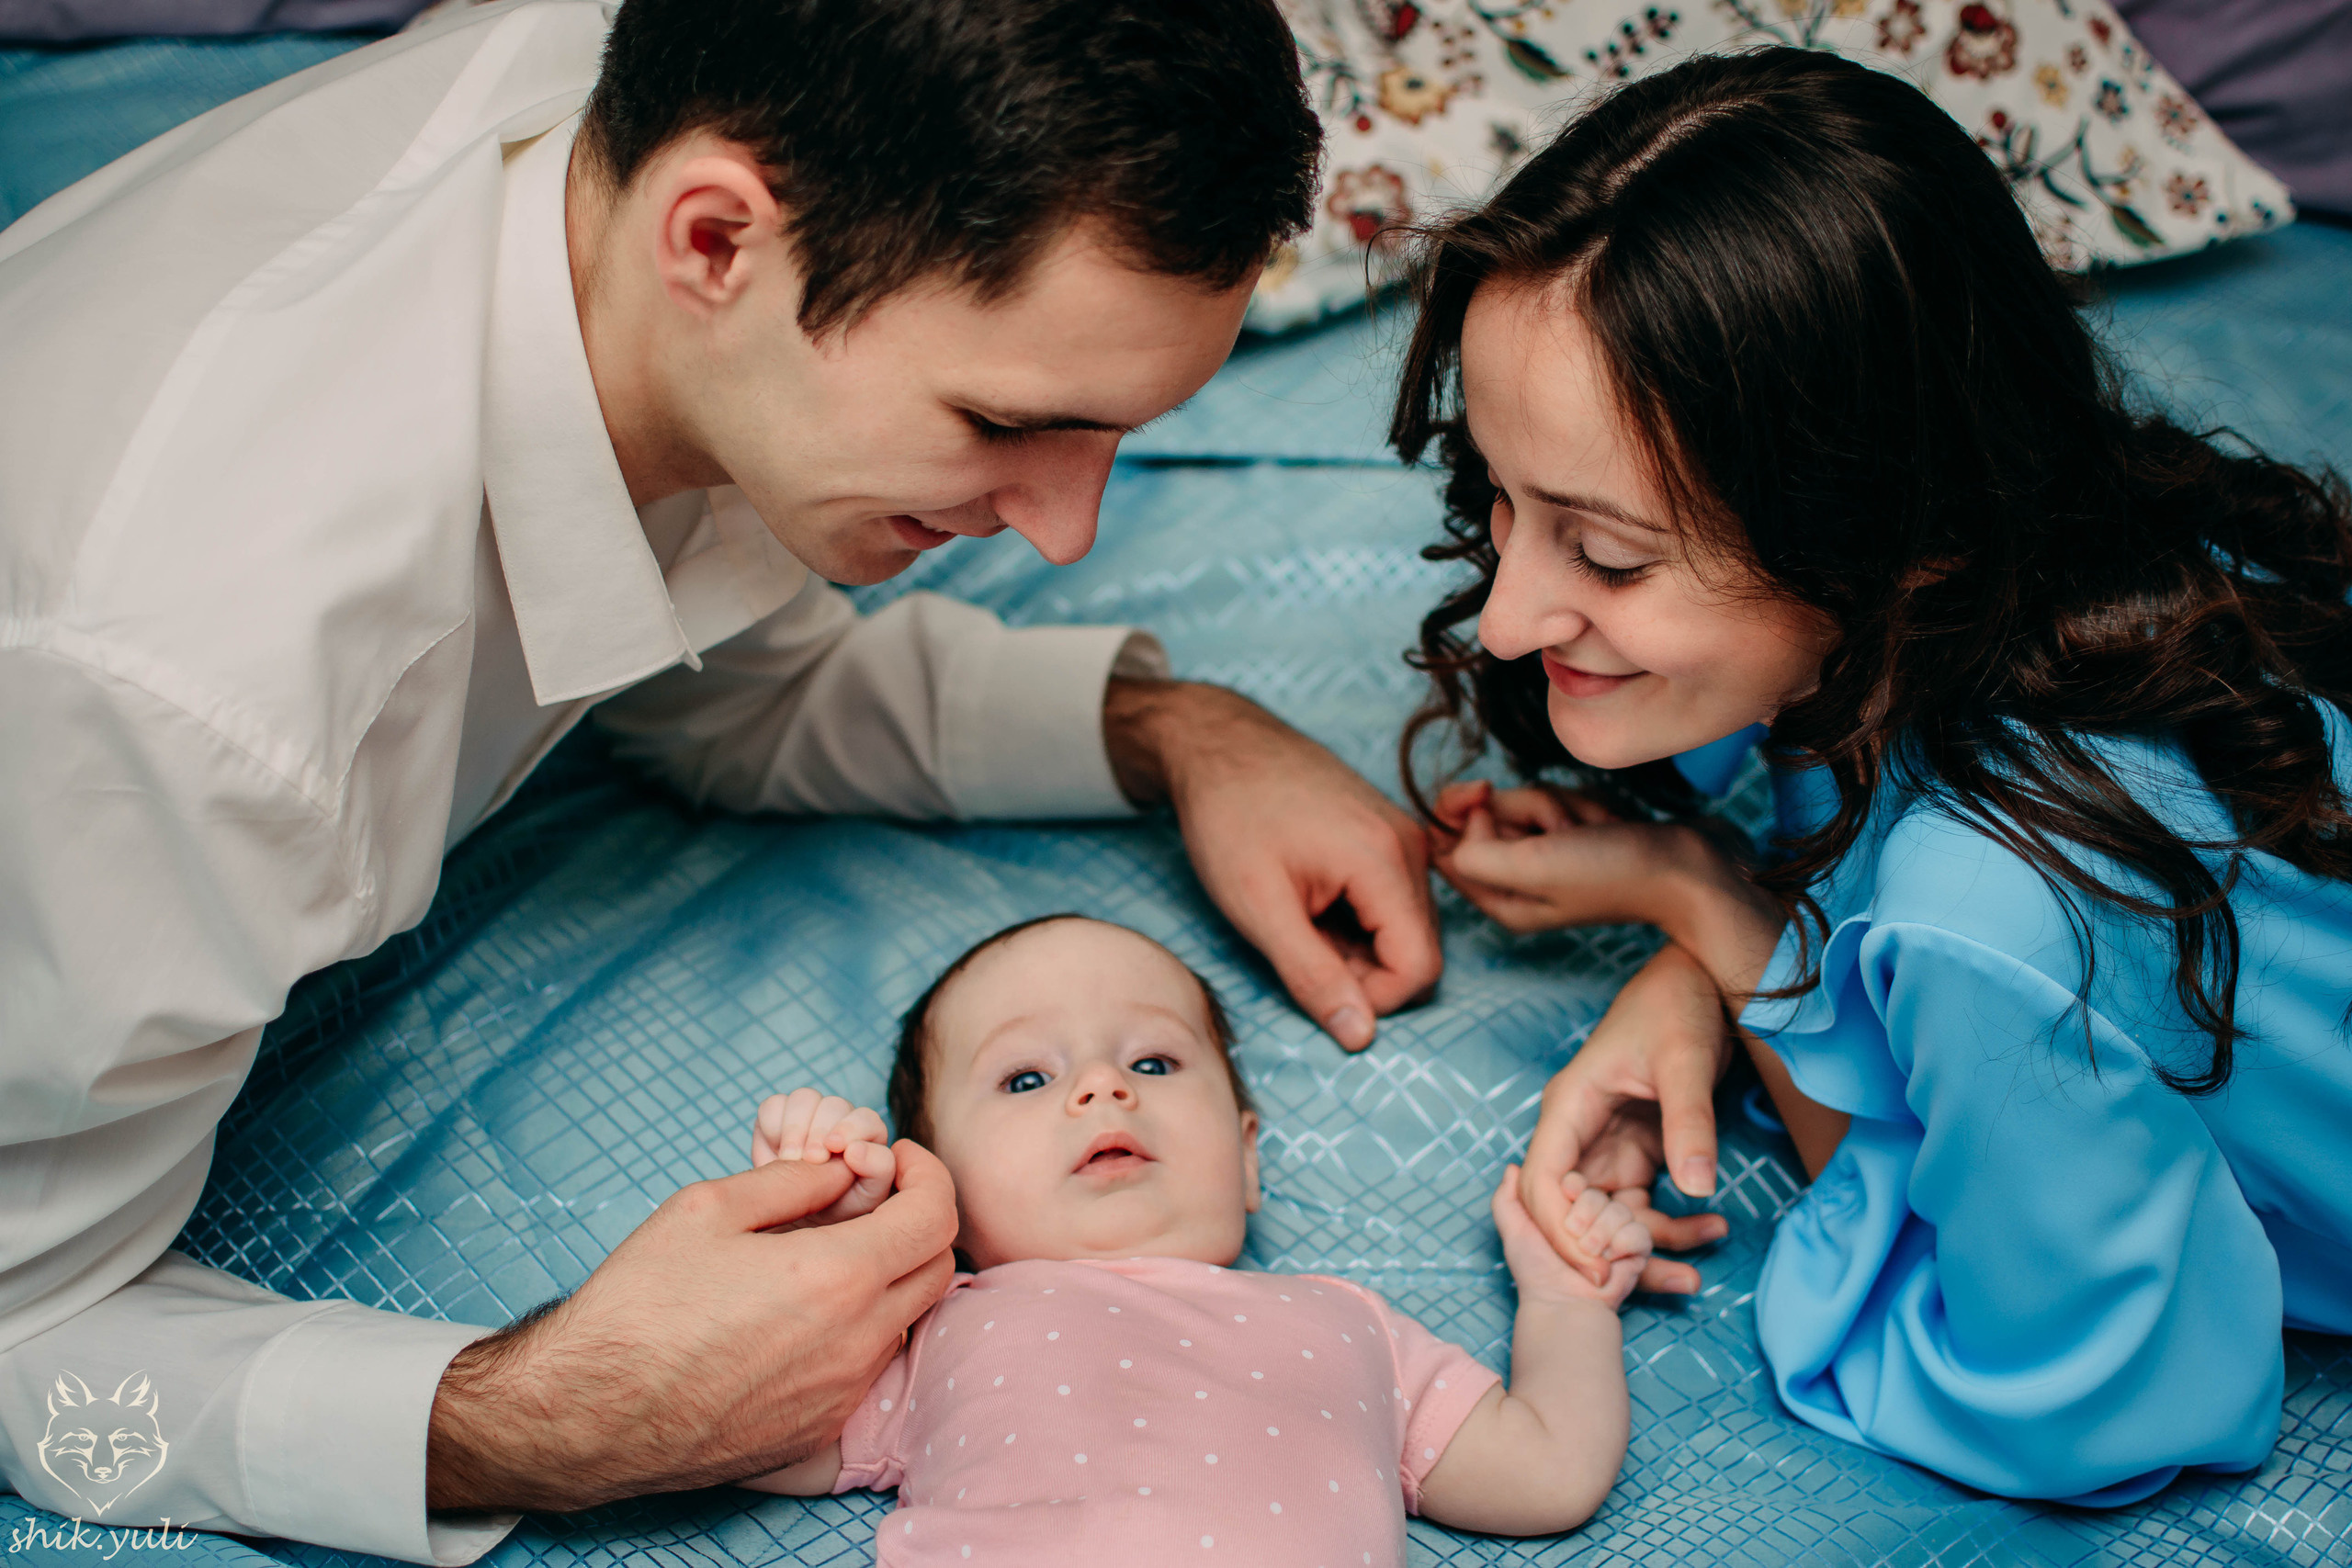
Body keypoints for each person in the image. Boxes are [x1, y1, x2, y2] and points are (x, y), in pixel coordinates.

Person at [0, 0, 1448, 1557]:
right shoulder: (178, 701)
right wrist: (531, 1416)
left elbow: (713, 672)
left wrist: (1175, 729)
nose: (1067, 533)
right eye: (1009, 424)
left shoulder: (687, 132)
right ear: (713, 241)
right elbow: (29, 1347)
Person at [1386, 47, 2352, 1506]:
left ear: (1886, 531)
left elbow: (2100, 1397)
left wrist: (1714, 922)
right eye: (1502, 497)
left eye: (1607, 552)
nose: (1509, 617)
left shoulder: (1990, 912)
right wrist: (1695, 938)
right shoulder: (2048, 561)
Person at [735, 914, 1653, 1562]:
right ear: (935, 1188)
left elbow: (1545, 1472)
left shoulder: (1350, 1325)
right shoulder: (937, 1333)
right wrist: (819, 1238)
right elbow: (759, 1434)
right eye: (1023, 1078)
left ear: (1247, 1159)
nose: (1101, 1086)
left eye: (1152, 1060)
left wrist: (1567, 1301)